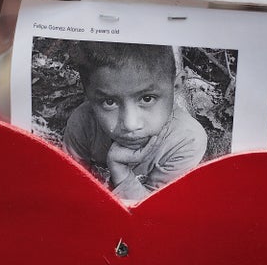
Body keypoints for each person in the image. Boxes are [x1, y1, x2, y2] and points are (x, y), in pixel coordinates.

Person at [63, 41, 207, 202]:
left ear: (176, 85)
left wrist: (122, 173)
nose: (131, 125)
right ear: (89, 96)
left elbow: (154, 211)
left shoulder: (187, 141)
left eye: (147, 98)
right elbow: (71, 190)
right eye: (109, 102)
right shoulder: (82, 123)